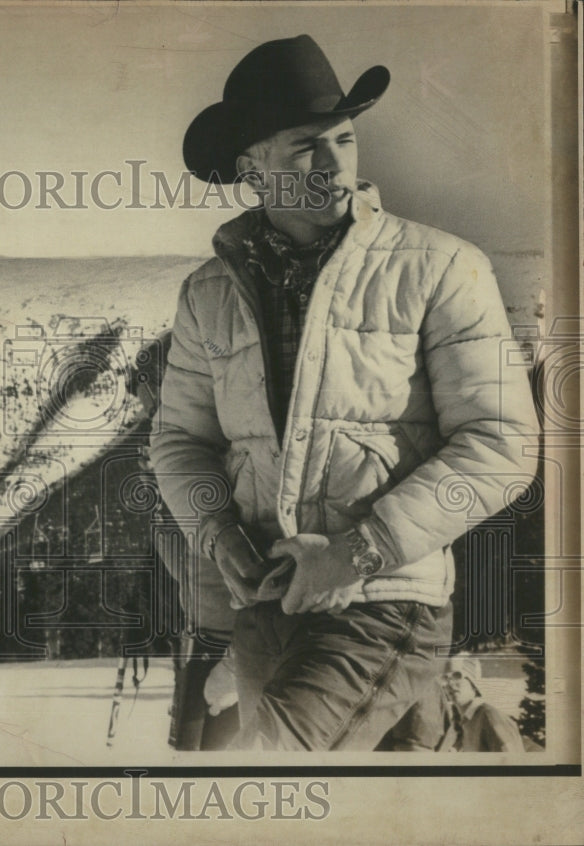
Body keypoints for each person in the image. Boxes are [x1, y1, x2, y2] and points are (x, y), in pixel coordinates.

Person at [148, 34, 539, 750]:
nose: (334, 166)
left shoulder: (442, 268)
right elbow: (180, 443)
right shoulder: (206, 296)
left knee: (264, 778)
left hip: (385, 603)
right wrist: (220, 537)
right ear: (251, 167)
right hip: (264, 612)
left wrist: (355, 552)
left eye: (345, 140)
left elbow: (502, 445)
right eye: (305, 148)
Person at [442, 656, 524, 752]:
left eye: (457, 676)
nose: (450, 683)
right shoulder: (462, 722)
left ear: (473, 683)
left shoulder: (489, 716)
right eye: (445, 678)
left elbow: (513, 760)